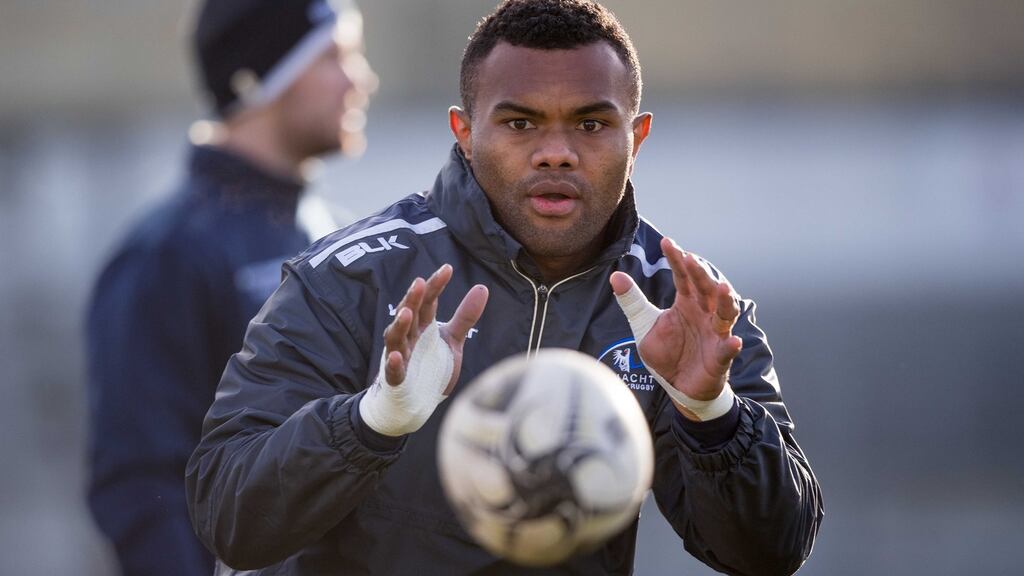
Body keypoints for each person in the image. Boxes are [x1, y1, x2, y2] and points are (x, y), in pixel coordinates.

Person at [186, 1, 823, 574]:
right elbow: (230, 520)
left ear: (638, 135)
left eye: (592, 125)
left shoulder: (686, 307)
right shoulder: (348, 278)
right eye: (520, 124)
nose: (556, 152)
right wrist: (371, 422)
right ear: (465, 134)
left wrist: (710, 414)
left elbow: (772, 551)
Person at [85, 1, 377, 575]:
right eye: (332, 56)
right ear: (262, 80)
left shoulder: (338, 231)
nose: (360, 79)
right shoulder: (167, 255)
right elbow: (140, 481)